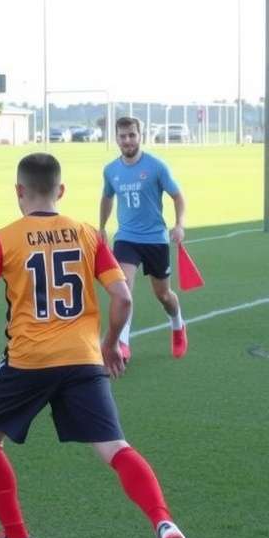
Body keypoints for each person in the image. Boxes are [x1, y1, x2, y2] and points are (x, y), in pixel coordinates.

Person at [0, 153, 199, 538]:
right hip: (83, 359)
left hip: (28, 361)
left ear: (19, 191)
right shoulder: (87, 234)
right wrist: (112, 343)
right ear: (60, 191)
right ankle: (162, 521)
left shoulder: (2, 239)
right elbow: (124, 299)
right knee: (114, 447)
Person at [99, 116, 188, 362]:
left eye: (132, 135)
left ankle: (178, 325)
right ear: (116, 138)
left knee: (164, 295)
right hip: (126, 238)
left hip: (155, 239)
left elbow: (178, 197)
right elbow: (107, 198)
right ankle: (123, 343)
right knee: (123, 288)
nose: (127, 140)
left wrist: (179, 225)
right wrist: (102, 226)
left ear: (140, 136)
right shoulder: (110, 170)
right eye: (122, 136)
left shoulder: (157, 167)